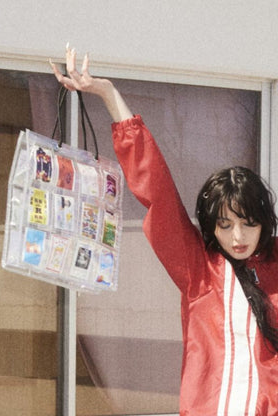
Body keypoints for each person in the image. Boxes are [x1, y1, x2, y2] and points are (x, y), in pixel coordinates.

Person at [51, 45, 278, 415]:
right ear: (211, 227)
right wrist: (108, 93)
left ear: (264, 223)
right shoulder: (199, 270)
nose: (238, 237)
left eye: (248, 224)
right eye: (225, 225)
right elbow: (157, 191)